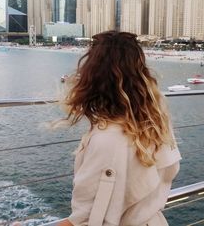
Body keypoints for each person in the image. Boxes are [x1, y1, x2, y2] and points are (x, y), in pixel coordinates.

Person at [57, 30, 181, 226]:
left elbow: (85, 221)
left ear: (94, 76)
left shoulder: (106, 139)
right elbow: (170, 170)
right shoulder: (157, 123)